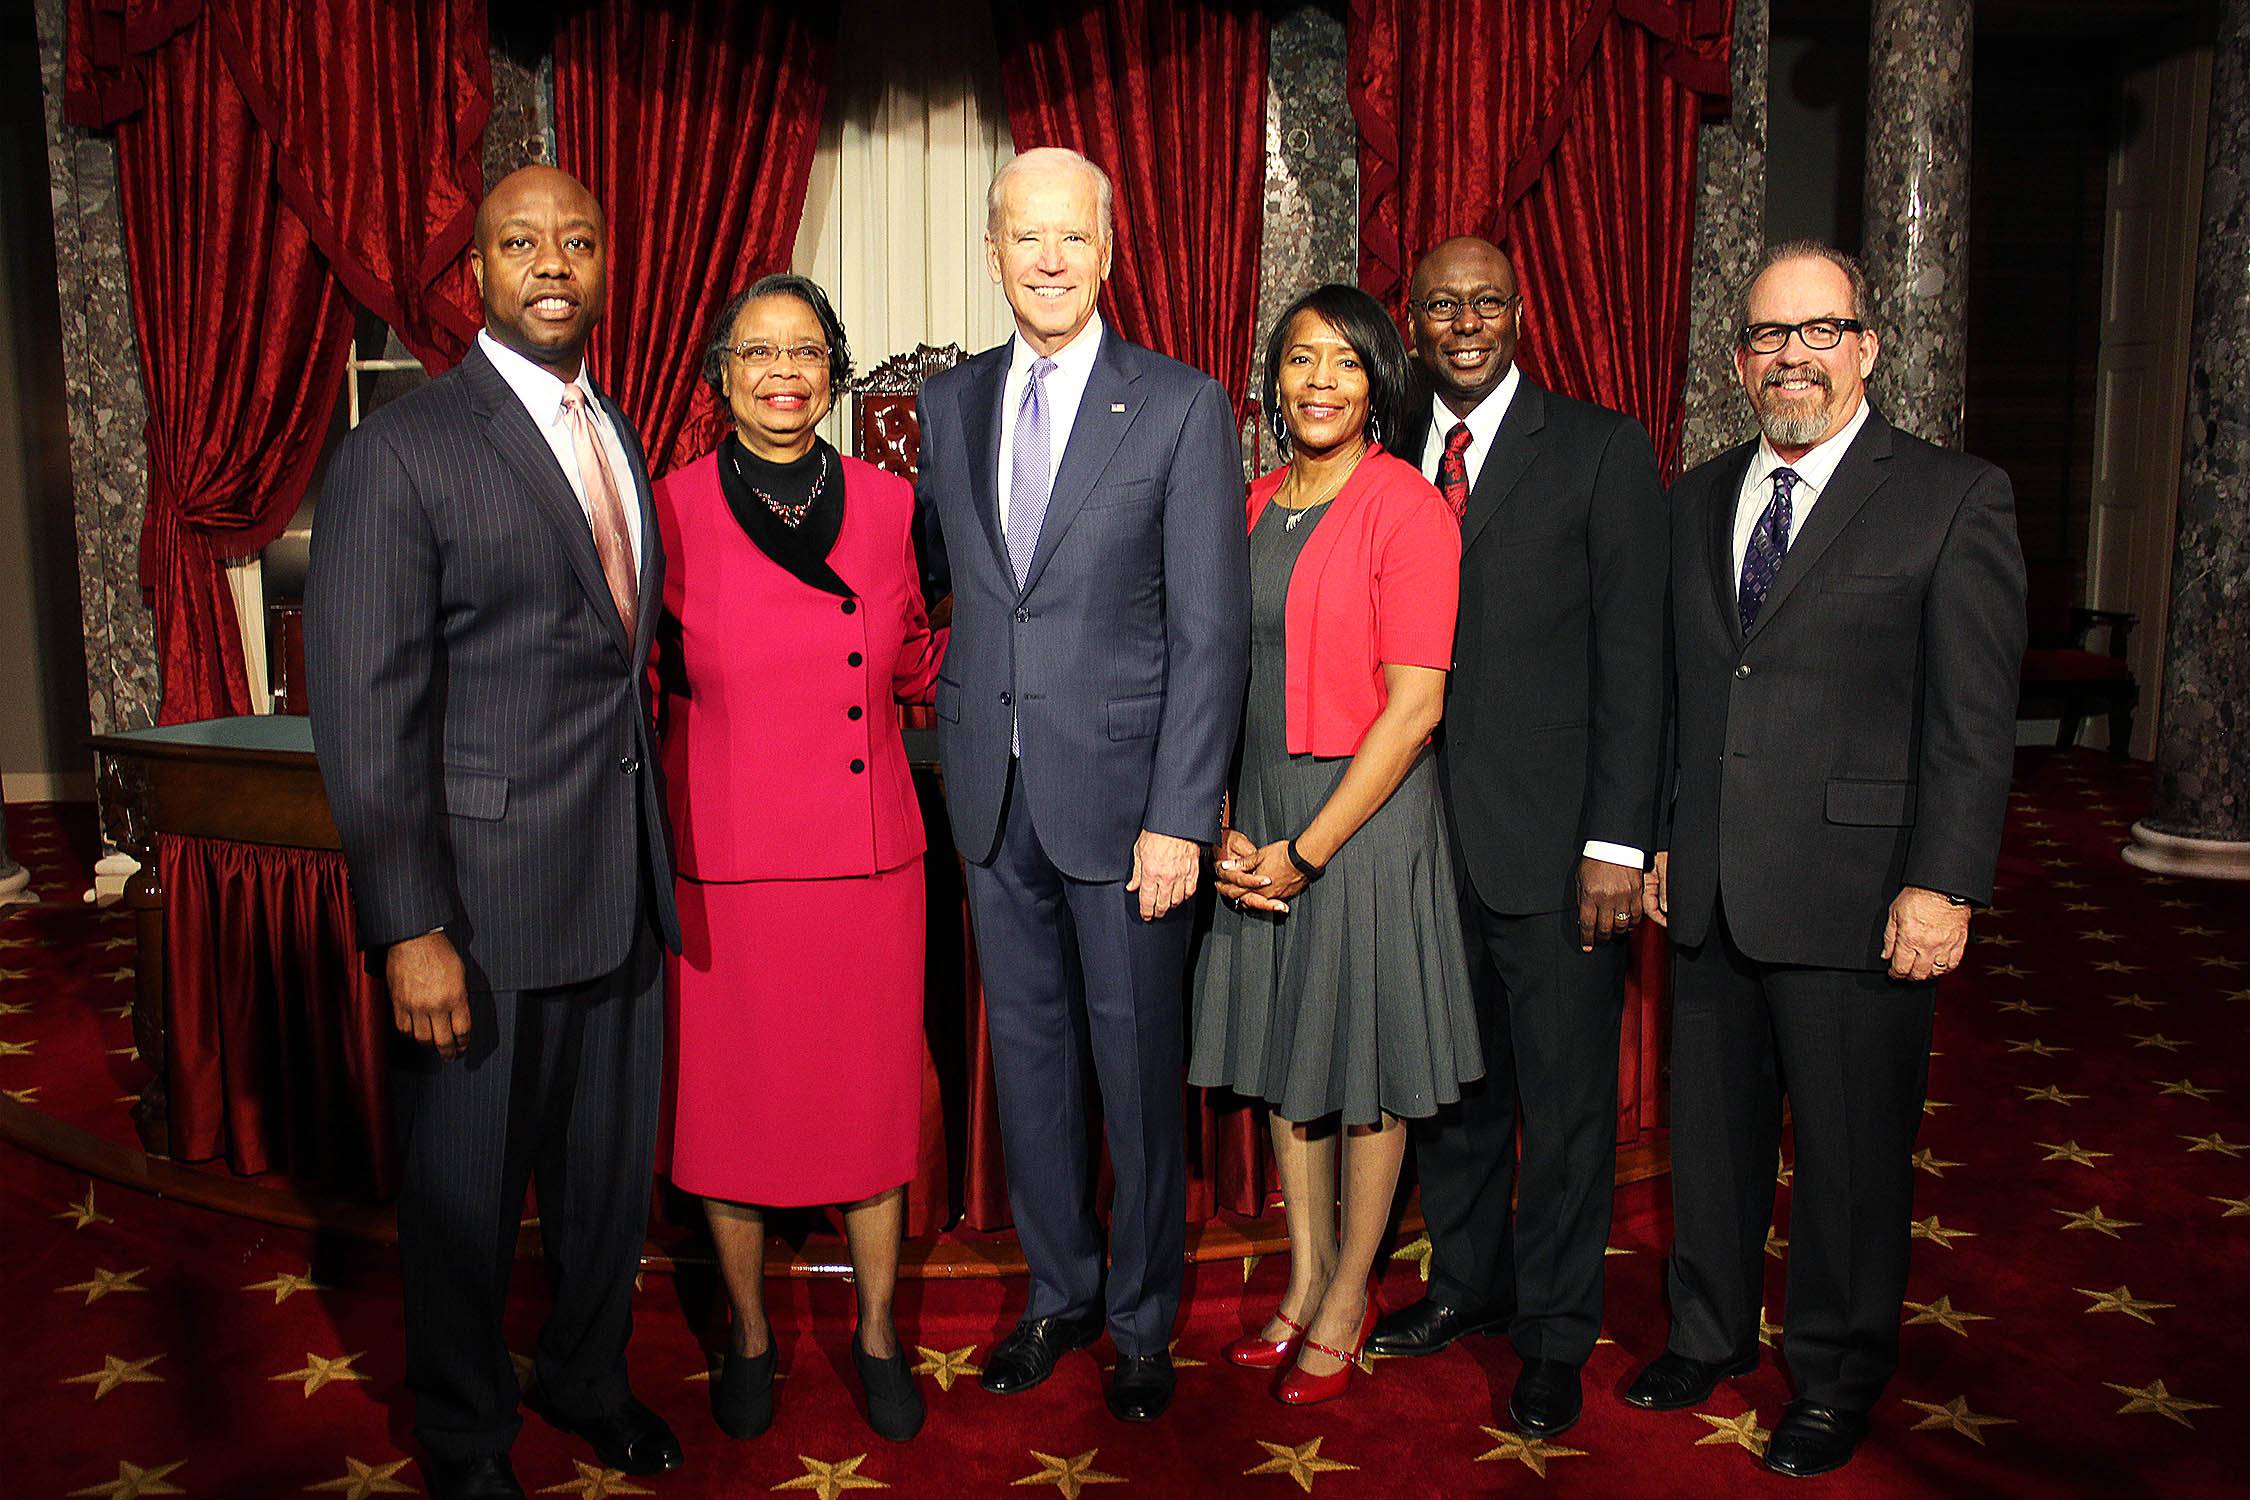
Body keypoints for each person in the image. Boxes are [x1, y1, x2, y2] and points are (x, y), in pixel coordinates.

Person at [306, 166, 683, 1500]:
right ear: (474, 270)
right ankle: (466, 1436)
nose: (553, 263)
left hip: (618, 892)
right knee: (465, 1202)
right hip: (476, 910)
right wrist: (409, 925)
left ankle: (584, 1374)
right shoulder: (400, 452)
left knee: (601, 1189)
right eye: (521, 242)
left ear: (605, 261)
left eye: (578, 238)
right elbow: (365, 712)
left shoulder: (617, 432)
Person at [1630, 242, 2025, 1477]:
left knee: (1851, 1155)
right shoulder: (1695, 495)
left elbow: (1973, 717)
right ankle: (1707, 1331)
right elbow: (1680, 696)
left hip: (1864, 894)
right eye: (1766, 337)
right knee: (1713, 1136)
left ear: (1865, 345)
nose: (1790, 356)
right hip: (1711, 881)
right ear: (1739, 360)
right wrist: (1654, 835)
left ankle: (1837, 1371)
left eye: (1818, 330)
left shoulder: (1953, 496)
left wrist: (1945, 881)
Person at [912, 146, 1250, 1423]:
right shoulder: (949, 405)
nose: (1048, 260)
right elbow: (958, 586)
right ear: (993, 250)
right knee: (1035, 1064)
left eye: (1072, 238)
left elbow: (1210, 636)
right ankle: (1057, 1293)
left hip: (1128, 820)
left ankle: (1142, 1318)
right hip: (993, 806)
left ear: (1109, 252)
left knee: (1135, 1068)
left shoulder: (1179, 404)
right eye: (1024, 237)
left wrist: (1180, 815)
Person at [1367, 237, 1668, 1441]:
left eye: (1484, 301)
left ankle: (1552, 1335)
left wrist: (1616, 842)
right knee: (1455, 1093)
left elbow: (1637, 668)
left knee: (1564, 1103)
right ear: (1415, 322)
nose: (1463, 321)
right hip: (1417, 845)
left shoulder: (1599, 450)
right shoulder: (1385, 456)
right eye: (1440, 305)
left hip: (1555, 857)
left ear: (1521, 314)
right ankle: (1467, 1287)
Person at [652, 275, 942, 1445]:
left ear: (836, 371)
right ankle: (753, 1337)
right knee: (730, 1117)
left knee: (868, 1116)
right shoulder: (664, 505)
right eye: (758, 355)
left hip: (869, 867)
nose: (784, 373)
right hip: (725, 862)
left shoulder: (889, 503)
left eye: (807, 352)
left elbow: (917, 652)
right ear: (720, 375)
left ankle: (876, 1334)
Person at [1191, 284, 1479, 1406]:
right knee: (1282, 1052)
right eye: (1301, 359)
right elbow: (1217, 671)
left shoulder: (1406, 505)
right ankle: (1305, 1277)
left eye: (1345, 363)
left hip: (1361, 819)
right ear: (1275, 377)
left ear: (1378, 387)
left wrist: (1306, 851)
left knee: (1361, 1068)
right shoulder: (1255, 498)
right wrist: (1217, 815)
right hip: (1258, 807)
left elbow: (1415, 708)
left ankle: (1354, 1289)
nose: (1319, 381)